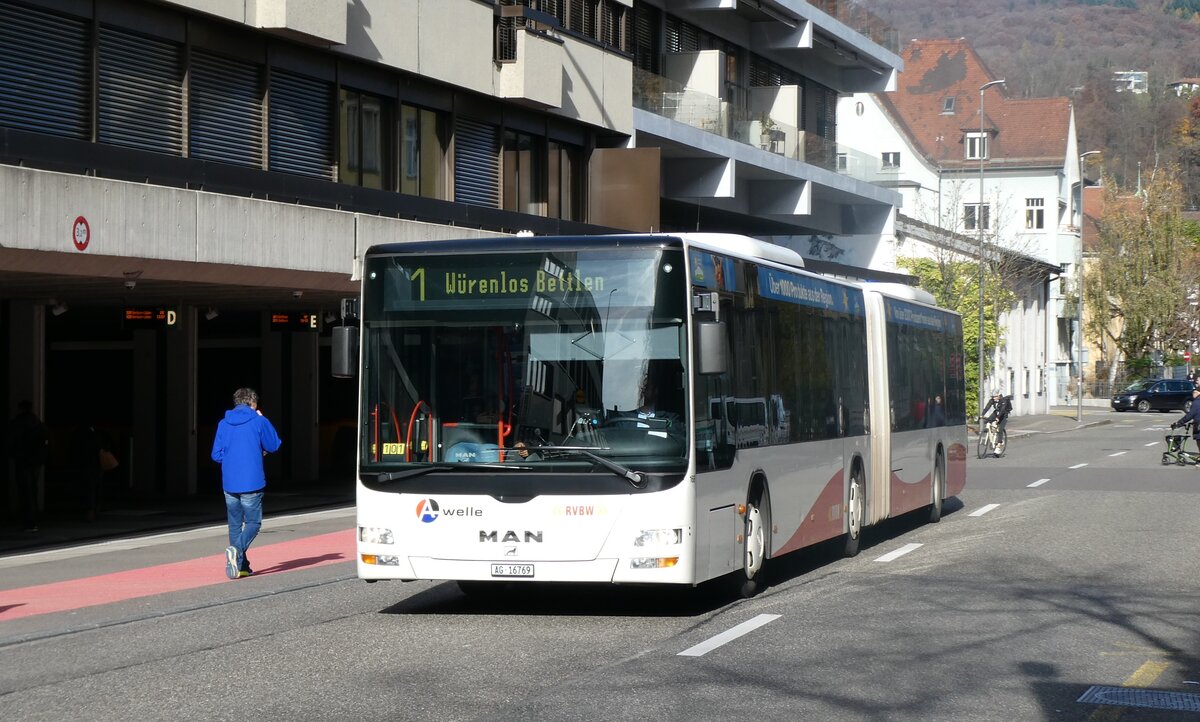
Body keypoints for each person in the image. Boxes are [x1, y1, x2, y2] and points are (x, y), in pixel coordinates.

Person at [211, 388, 281, 579]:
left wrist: (232, 457)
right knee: (253, 523)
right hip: (252, 481)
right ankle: (236, 550)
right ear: (253, 403)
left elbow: (216, 455)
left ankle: (240, 567)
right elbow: (274, 444)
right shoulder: (259, 421)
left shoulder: (223, 423)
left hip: (229, 482)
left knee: (234, 525)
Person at [6, 400, 48, 532]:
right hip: (36, 461)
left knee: (24, 491)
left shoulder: (17, 424)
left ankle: (27, 521)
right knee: (33, 489)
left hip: (22, 460)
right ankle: (34, 518)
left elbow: (11, 441)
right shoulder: (38, 423)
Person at [1170, 386, 1200, 452]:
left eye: (1195, 392)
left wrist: (1178, 423)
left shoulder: (1196, 402)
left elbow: (1190, 415)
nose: (1193, 394)